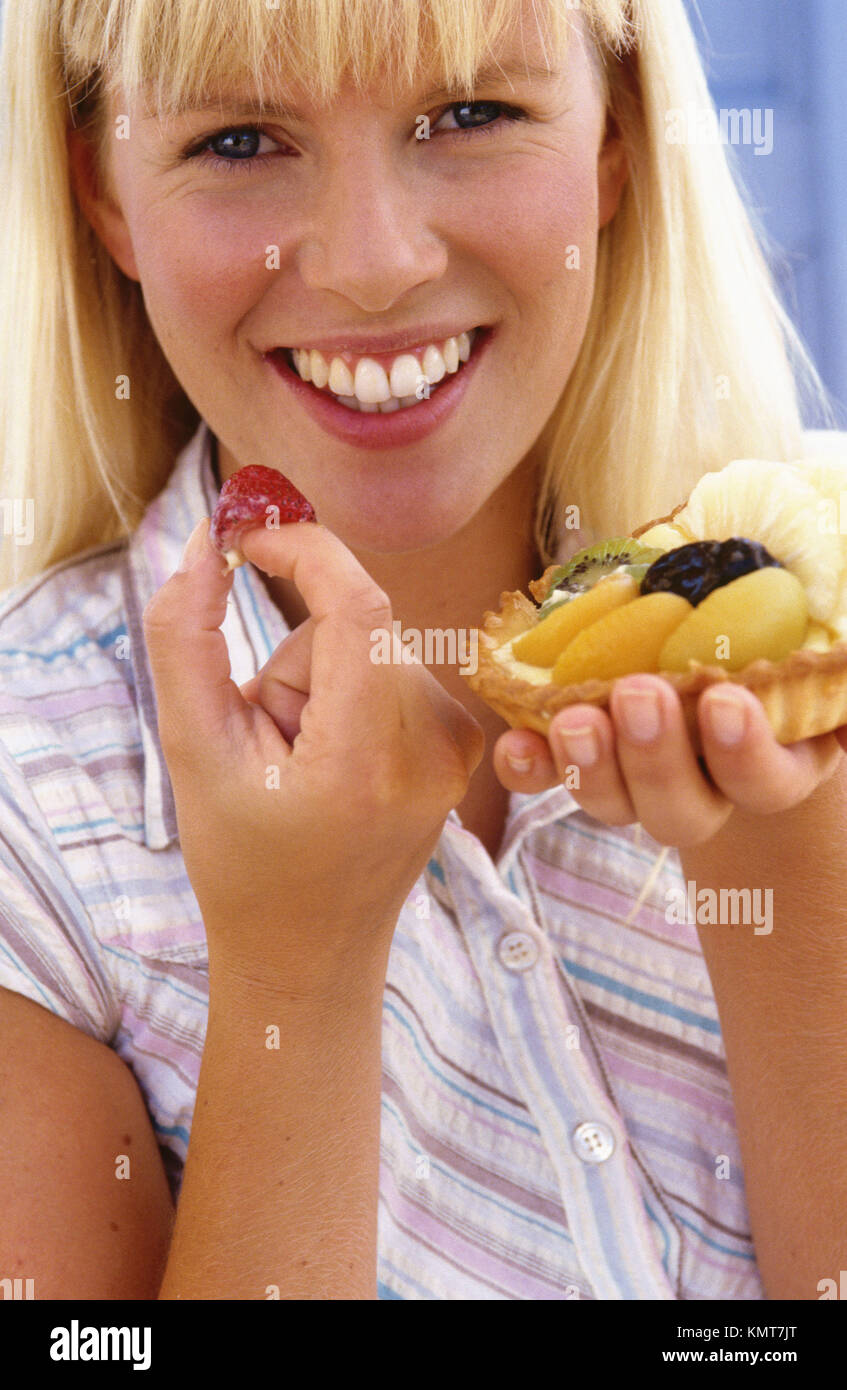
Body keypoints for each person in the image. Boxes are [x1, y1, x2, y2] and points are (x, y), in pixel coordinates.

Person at [0, 0, 845, 1302]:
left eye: (470, 113)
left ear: (616, 139)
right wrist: (299, 977)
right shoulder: (29, 818)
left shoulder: (818, 659)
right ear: (102, 192)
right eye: (237, 140)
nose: (374, 260)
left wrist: (787, 871)